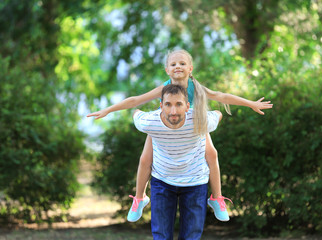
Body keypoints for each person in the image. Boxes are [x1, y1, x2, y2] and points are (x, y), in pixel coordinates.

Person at [87, 49, 273, 222]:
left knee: (212, 154)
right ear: (167, 70)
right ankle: (139, 198)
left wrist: (250, 103)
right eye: (174, 64)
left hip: (192, 129)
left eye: (182, 63)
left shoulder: (196, 87)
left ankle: (217, 198)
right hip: (166, 127)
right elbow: (136, 100)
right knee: (145, 159)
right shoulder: (163, 89)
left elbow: (221, 96)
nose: (178, 66)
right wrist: (108, 110)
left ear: (190, 69)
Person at [133, 84, 222, 239]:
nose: (173, 111)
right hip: (162, 181)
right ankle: (139, 199)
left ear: (187, 106)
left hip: (195, 182)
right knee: (161, 235)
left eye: (178, 104)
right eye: (168, 105)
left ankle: (218, 198)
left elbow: (218, 113)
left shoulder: (200, 120)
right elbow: (136, 112)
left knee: (191, 236)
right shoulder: (149, 122)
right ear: (161, 106)